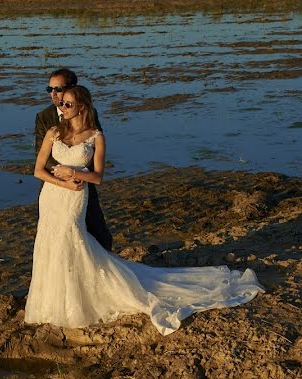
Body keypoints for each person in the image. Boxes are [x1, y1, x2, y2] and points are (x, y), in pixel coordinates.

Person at [25, 86, 263, 335]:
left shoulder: (95, 136)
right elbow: (38, 170)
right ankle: (50, 303)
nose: (61, 108)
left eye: (68, 104)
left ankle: (76, 301)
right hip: (53, 195)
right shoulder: (53, 132)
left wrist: (74, 173)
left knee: (72, 238)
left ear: (82, 107)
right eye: (61, 103)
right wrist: (63, 180)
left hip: (75, 196)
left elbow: (98, 177)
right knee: (50, 242)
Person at [35, 68, 112, 251]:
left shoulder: (91, 120)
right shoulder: (45, 118)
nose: (54, 94)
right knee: (55, 240)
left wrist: (78, 175)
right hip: (54, 186)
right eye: (49, 89)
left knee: (96, 233)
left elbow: (92, 152)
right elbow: (41, 158)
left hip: (82, 185)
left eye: (58, 89)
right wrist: (63, 178)